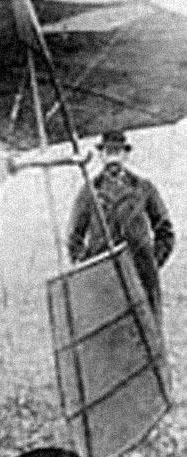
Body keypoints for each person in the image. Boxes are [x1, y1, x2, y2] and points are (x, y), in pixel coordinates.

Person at [67, 130, 175, 319]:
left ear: (125, 154)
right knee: (110, 329)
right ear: (101, 155)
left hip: (141, 277)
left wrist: (151, 262)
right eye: (109, 152)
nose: (113, 158)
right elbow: (74, 238)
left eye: (117, 152)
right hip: (104, 281)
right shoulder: (90, 191)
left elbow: (165, 231)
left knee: (146, 327)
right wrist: (91, 269)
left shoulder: (143, 188)